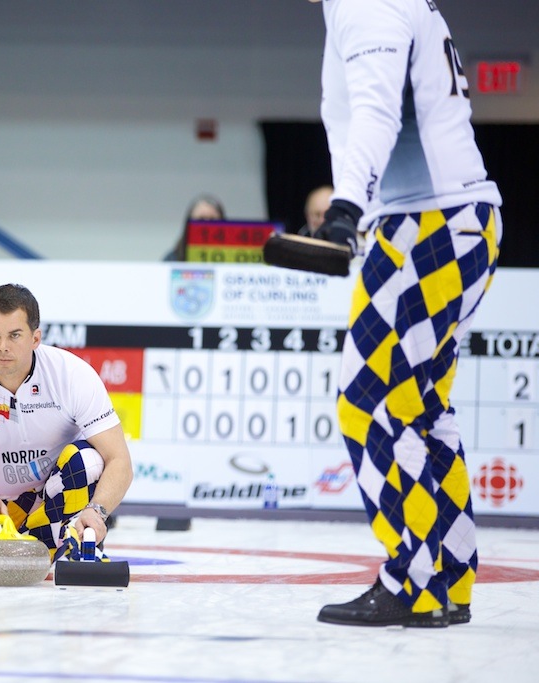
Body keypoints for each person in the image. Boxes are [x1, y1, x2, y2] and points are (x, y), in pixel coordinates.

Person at [306, 0, 502, 627]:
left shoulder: (364, 3)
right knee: (419, 409)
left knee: (368, 403)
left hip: (425, 223)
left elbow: (375, 112)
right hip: (457, 219)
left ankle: (411, 578)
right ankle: (448, 577)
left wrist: (343, 207)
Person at [0, 283, 133, 558]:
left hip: (69, 491)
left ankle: (71, 533)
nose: (2, 347)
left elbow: (120, 460)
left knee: (87, 460)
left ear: (36, 338)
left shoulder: (71, 374)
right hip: (8, 503)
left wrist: (97, 512)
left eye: (14, 336)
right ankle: (56, 541)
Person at [164, 193, 226, 261]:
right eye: (201, 219)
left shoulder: (232, 257)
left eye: (212, 220)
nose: (206, 225)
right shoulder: (172, 259)